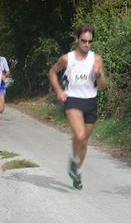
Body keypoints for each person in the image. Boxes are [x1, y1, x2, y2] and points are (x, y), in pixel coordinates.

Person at [48, 24, 107, 190]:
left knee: (84, 141)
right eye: (83, 41)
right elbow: (52, 72)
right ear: (77, 39)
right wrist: (59, 90)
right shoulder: (67, 59)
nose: (87, 45)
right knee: (80, 135)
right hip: (73, 100)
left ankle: (76, 170)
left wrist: (99, 74)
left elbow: (103, 86)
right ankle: (74, 164)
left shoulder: (96, 59)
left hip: (91, 101)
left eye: (90, 41)